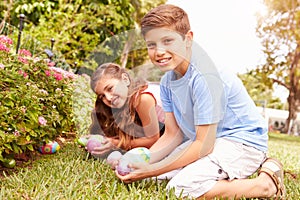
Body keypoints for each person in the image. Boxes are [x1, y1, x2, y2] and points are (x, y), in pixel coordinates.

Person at [115, 4, 285, 200]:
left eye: (167, 41)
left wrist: (151, 169)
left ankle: (264, 185)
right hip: (208, 143)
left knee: (180, 188)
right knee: (151, 179)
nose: (159, 51)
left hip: (241, 143)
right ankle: (220, 175)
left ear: (188, 39)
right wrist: (144, 163)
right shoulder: (167, 82)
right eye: (151, 44)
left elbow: (204, 145)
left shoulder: (206, 76)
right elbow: (172, 134)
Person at [88, 62, 165, 161]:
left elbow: (153, 140)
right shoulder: (126, 103)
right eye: (102, 96)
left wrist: (116, 144)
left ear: (125, 79)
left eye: (110, 88)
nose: (108, 97)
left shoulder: (143, 99)